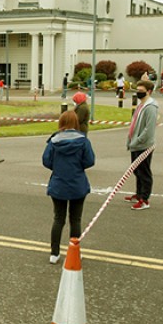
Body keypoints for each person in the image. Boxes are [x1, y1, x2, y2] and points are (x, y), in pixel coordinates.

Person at [42, 111, 95, 264]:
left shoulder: (54, 141)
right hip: (77, 183)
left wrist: (58, 167)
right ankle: (74, 251)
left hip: (58, 183)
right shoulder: (83, 141)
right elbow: (90, 161)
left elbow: (46, 160)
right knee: (75, 220)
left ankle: (54, 253)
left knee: (58, 219)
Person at [126, 80, 159, 210]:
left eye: (141, 91)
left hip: (143, 145)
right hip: (135, 144)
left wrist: (138, 140)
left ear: (149, 92)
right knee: (136, 170)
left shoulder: (150, 108)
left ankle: (144, 199)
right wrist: (130, 140)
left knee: (144, 172)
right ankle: (139, 194)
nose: (138, 93)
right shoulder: (141, 105)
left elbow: (148, 129)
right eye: (137, 90)